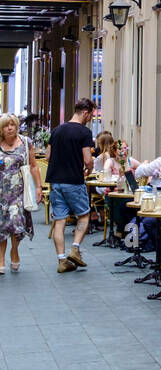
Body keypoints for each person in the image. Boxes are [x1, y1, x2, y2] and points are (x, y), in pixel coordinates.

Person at [46, 98, 95, 273]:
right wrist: (89, 169)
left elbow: (48, 156)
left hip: (55, 182)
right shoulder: (84, 132)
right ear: (85, 112)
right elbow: (88, 159)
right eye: (91, 115)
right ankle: (75, 248)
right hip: (74, 181)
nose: (90, 119)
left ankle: (61, 261)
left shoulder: (57, 130)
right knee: (83, 215)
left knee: (59, 220)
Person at [0, 113, 42, 273]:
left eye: (12, 124)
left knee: (16, 223)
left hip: (19, 191)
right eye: (6, 125)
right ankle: (1, 257)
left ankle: (14, 250)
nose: (10, 128)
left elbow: (33, 166)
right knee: (2, 225)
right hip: (1, 191)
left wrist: (39, 187)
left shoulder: (25, 143)